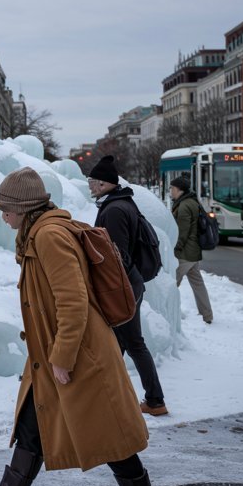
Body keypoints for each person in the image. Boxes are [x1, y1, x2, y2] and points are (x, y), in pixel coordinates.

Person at [0, 167, 167, 486]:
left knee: (115, 442)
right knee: (31, 428)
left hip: (80, 358)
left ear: (23, 207)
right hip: (52, 356)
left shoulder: (49, 236)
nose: (2, 215)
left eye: (6, 208)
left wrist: (63, 357)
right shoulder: (38, 232)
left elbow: (73, 302)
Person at [88, 155, 168, 416]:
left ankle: (152, 401)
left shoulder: (114, 210)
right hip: (128, 285)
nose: (89, 186)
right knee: (121, 343)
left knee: (130, 343)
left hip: (122, 287)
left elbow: (117, 256)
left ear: (103, 183)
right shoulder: (121, 203)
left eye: (91, 181)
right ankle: (111, 397)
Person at [169, 177, 213, 325]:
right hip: (193, 252)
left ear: (179, 189)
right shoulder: (192, 202)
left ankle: (165, 313)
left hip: (185, 254)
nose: (170, 191)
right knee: (198, 283)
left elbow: (182, 232)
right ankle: (207, 315)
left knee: (171, 284)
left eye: (172, 188)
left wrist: (175, 248)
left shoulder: (184, 206)